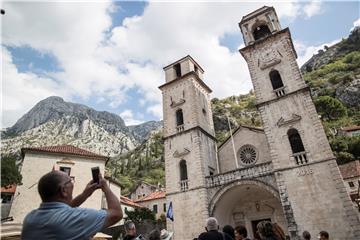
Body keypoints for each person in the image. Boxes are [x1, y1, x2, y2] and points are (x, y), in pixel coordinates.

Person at [21, 170, 123, 240]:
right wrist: (105, 187)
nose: (72, 183)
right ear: (63, 190)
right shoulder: (76, 218)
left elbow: (63, 209)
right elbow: (116, 213)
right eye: (70, 181)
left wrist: (84, 195)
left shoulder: (29, 219)